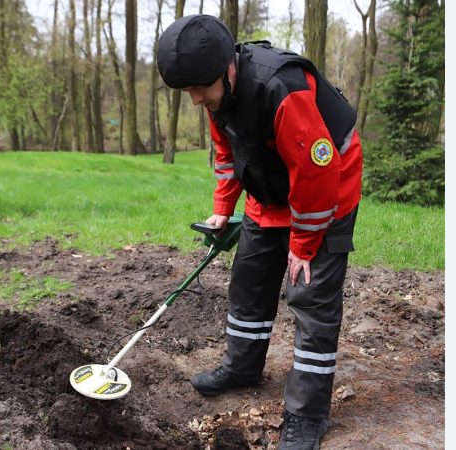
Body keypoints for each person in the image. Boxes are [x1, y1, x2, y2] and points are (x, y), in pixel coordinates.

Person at [156, 15, 363, 450]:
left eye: (199, 89)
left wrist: (304, 245)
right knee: (249, 279)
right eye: (187, 90)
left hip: (326, 191)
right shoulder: (220, 99)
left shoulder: (281, 88)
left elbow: (316, 173)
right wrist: (221, 209)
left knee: (310, 296)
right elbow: (230, 152)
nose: (194, 100)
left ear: (226, 71)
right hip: (269, 193)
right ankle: (243, 367)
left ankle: (307, 416)